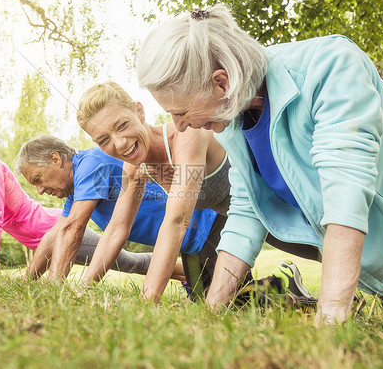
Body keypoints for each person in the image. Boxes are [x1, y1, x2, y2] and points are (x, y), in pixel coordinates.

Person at [136, 5, 383, 322]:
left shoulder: (329, 66)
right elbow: (246, 212)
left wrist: (330, 317)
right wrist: (212, 313)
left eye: (180, 112)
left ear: (221, 83)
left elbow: (347, 192)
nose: (179, 126)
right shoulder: (233, 119)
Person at [76, 81, 319, 302]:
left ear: (139, 111)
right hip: (256, 217)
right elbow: (117, 229)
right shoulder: (135, 169)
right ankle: (300, 295)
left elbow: (177, 220)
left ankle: (300, 287)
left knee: (329, 251)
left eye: (122, 125)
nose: (119, 143)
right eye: (103, 140)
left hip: (286, 199)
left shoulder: (185, 137)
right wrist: (84, 288)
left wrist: (147, 300)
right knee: (322, 257)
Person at [15, 135, 312, 302]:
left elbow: (74, 228)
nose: (40, 189)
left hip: (208, 227)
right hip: (189, 242)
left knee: (230, 305)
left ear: (56, 159)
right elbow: (56, 234)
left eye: (38, 178)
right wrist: (30, 280)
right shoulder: (75, 191)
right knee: (206, 301)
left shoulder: (89, 164)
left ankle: (287, 286)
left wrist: (54, 287)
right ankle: (280, 287)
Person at [0, 125, 151, 279]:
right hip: (46, 235)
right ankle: (184, 275)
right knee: (129, 263)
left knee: (129, 263)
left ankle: (184, 275)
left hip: (49, 228)